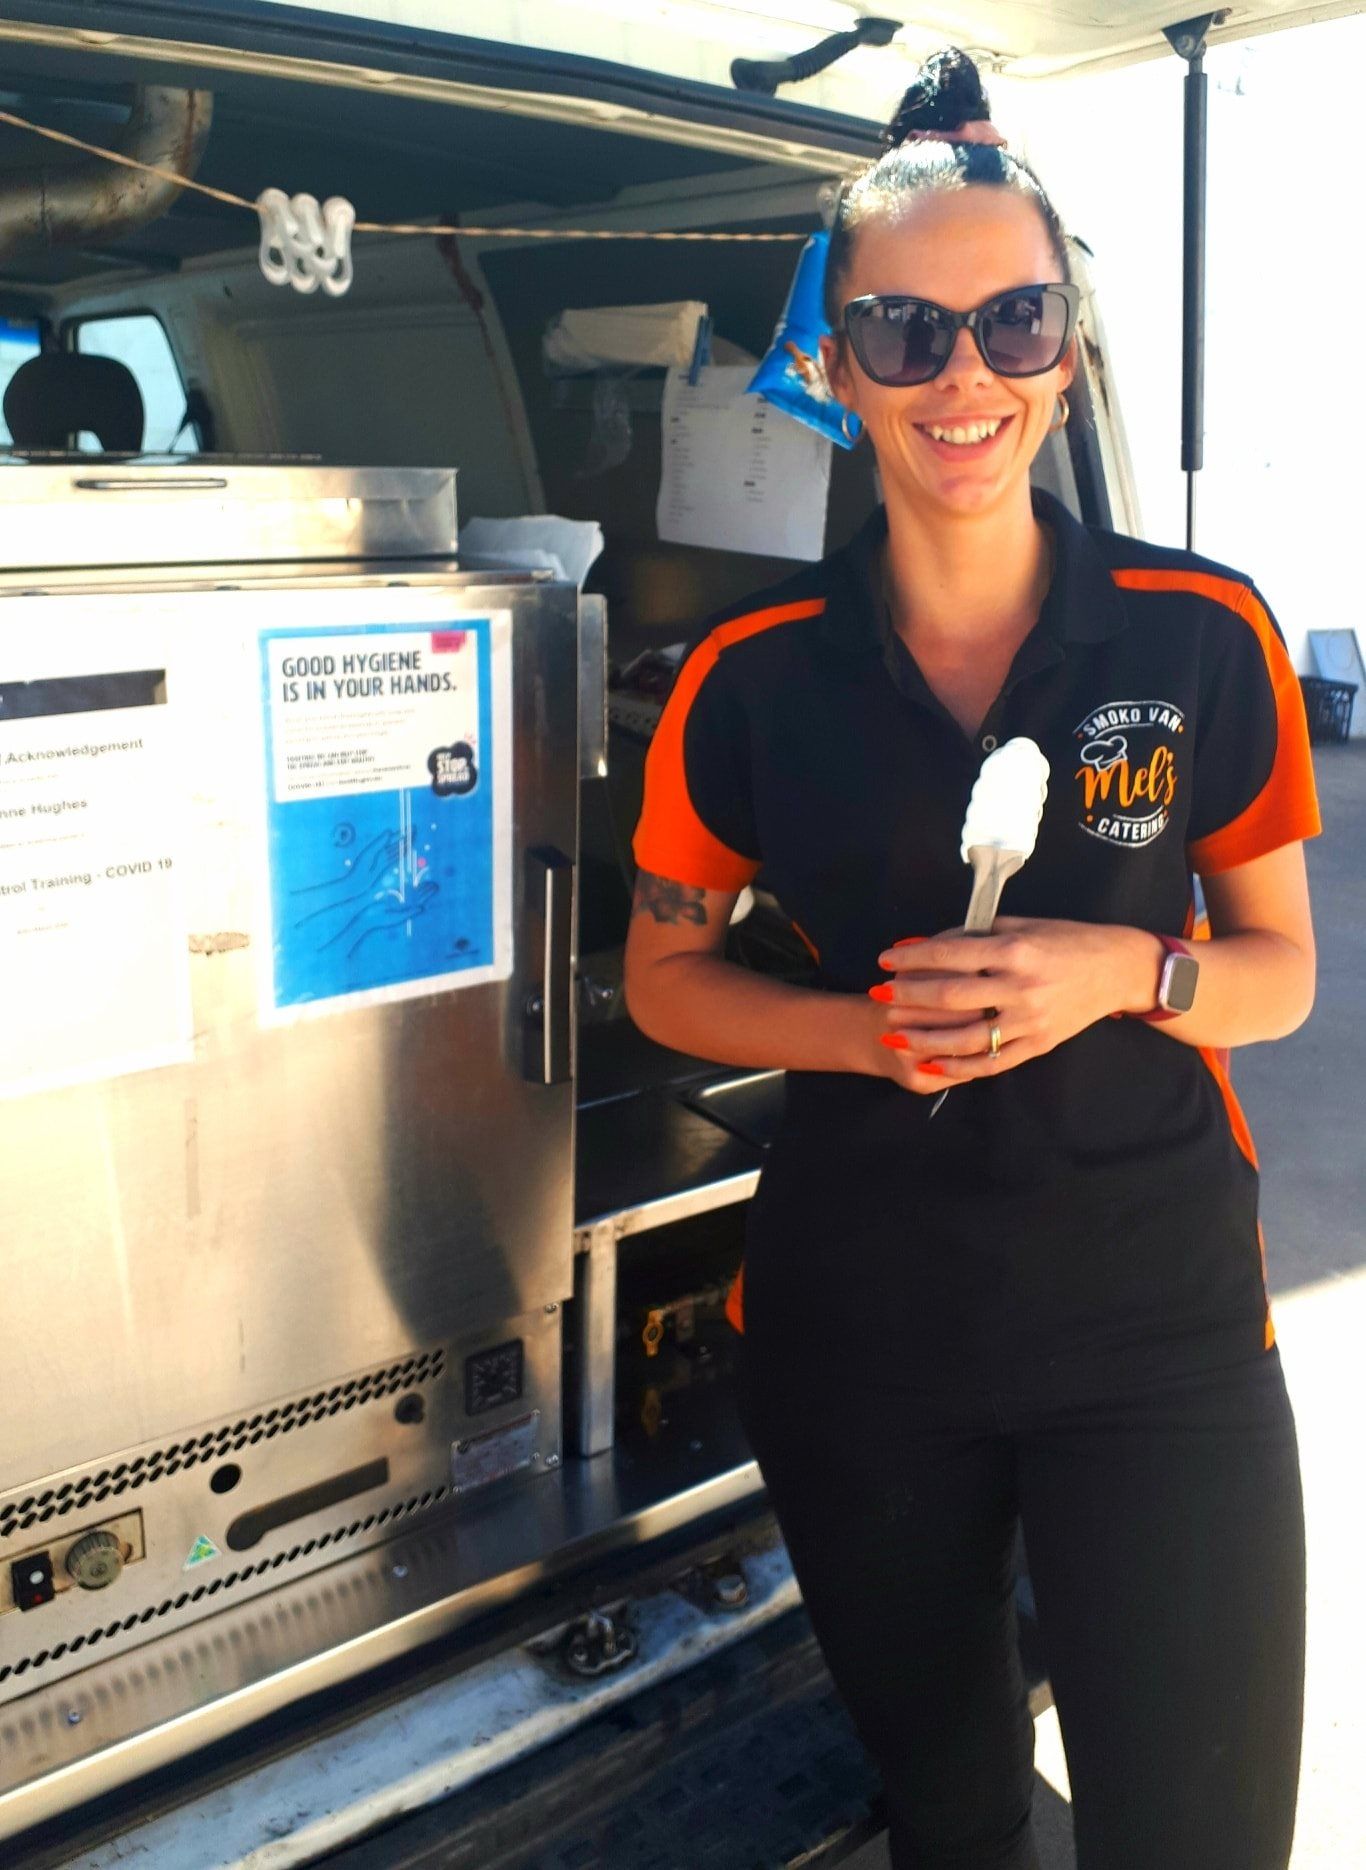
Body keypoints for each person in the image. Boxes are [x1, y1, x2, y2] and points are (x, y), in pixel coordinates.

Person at [624, 46, 1320, 1870]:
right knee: (947, 1825)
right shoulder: (749, 676)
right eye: (905, 332)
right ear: (836, 369)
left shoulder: (1198, 631)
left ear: (1064, 352)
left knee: (1196, 1837)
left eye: (1012, 321)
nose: (966, 377)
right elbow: (666, 977)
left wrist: (1122, 974)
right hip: (864, 1344)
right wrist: (856, 1031)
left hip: (1158, 1338)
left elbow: (1276, 972)